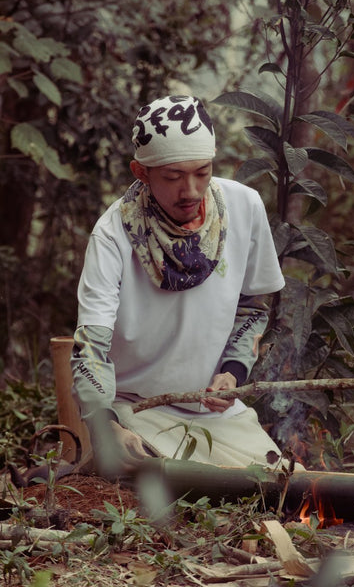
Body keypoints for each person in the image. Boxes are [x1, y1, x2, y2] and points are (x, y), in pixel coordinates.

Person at [71, 94, 297, 480]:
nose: (191, 190)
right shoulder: (112, 235)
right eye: (173, 177)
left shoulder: (244, 206)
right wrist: (104, 423)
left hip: (214, 410)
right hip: (137, 408)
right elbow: (90, 344)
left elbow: (252, 308)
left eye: (202, 172)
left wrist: (233, 372)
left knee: (278, 485)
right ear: (141, 172)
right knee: (178, 485)